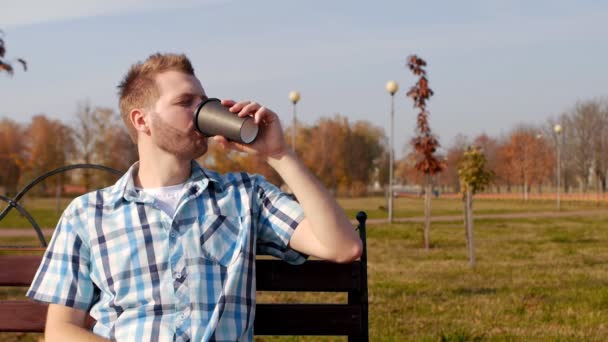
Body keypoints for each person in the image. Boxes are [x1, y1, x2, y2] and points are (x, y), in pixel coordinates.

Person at [26, 53, 362, 341]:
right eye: (186, 102)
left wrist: (279, 154)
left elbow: (342, 246)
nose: (202, 111)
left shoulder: (243, 196)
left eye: (203, 101)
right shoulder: (89, 214)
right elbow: (60, 330)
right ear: (142, 120)